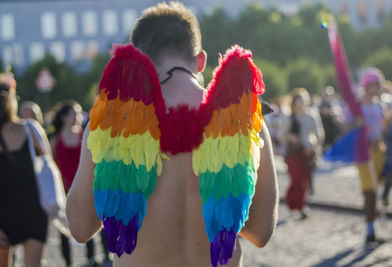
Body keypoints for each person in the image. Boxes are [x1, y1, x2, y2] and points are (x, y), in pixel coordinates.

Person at [66, 2, 278, 267]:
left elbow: (80, 227)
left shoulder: (111, 124)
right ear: (200, 60)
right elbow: (260, 233)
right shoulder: (243, 120)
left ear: (139, 60)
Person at [0, 72, 50, 267]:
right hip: (31, 212)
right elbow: (49, 165)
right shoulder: (31, 129)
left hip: (20, 214)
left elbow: (49, 167)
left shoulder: (30, 129)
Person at [49, 100, 106, 266]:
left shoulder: (86, 135)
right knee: (64, 227)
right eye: (74, 113)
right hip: (65, 187)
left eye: (79, 113)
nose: (78, 117)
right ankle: (68, 261)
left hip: (86, 185)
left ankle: (92, 257)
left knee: (90, 221)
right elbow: (51, 163)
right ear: (65, 117)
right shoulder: (56, 139)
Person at [352, 68, 386, 243]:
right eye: (375, 84)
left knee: (376, 189)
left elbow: (382, 127)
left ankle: (373, 223)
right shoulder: (358, 106)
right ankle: (370, 229)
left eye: (379, 84)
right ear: (367, 86)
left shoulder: (380, 104)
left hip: (378, 151)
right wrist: (358, 127)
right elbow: (347, 127)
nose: (378, 88)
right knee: (370, 191)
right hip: (363, 154)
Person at [278, 88, 324, 218]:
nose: (301, 103)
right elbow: (280, 135)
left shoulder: (312, 116)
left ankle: (302, 205)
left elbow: (319, 134)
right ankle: (293, 205)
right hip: (293, 152)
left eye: (303, 100)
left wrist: (314, 146)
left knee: (305, 180)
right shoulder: (289, 117)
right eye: (298, 101)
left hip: (307, 151)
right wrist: (290, 137)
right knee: (296, 179)